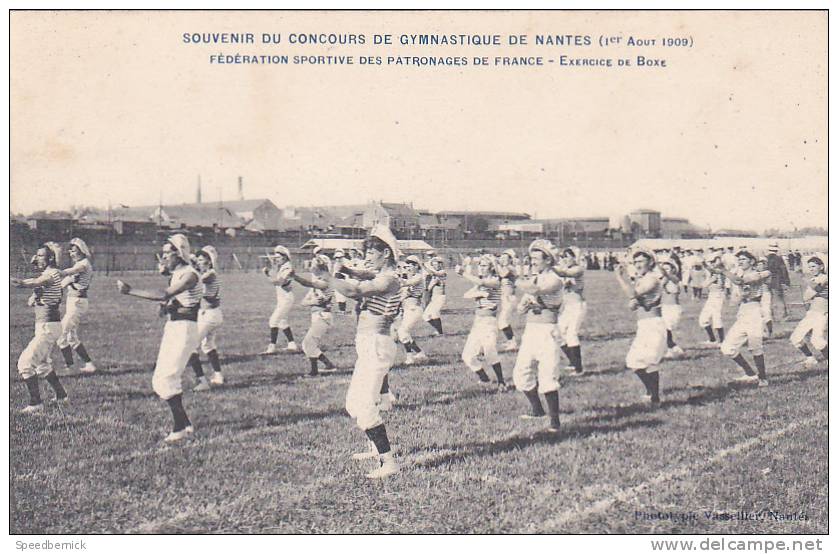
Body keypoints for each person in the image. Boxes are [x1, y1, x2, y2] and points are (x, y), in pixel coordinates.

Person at [325, 225, 403, 479]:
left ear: (386, 254)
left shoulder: (389, 278)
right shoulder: (381, 273)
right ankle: (375, 449)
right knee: (353, 404)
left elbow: (354, 290)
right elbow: (362, 272)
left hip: (377, 345)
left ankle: (388, 462)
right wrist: (346, 269)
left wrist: (329, 276)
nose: (368, 256)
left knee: (364, 405)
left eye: (372, 252)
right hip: (369, 345)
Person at [116, 234, 203, 442]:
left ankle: (179, 428)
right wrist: (166, 308)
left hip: (184, 329)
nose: (163, 258)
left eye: (167, 253)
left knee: (166, 379)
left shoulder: (190, 274)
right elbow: (172, 303)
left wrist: (130, 291)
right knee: (162, 379)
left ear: (179, 253)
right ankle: (185, 423)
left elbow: (165, 294)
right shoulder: (178, 274)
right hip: (174, 327)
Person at [11, 242, 69, 412]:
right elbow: (38, 290)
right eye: (36, 255)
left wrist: (22, 283)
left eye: (41, 255)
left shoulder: (50, 274)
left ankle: (36, 402)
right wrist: (35, 296)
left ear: (50, 258)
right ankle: (62, 395)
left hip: (48, 326)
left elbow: (38, 282)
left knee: (24, 363)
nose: (36, 258)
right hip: (47, 325)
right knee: (42, 365)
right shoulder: (50, 273)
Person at [513, 240, 563, 432]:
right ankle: (537, 410)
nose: (532, 262)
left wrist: (514, 278)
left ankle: (555, 423)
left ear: (548, 260)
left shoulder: (554, 279)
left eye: (536, 258)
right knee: (521, 373)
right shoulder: (534, 279)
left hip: (547, 332)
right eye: (531, 258)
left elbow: (534, 291)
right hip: (531, 332)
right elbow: (519, 309)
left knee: (547, 375)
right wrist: (524, 306)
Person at [615, 249, 667, 406]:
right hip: (644, 324)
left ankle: (654, 397)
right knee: (638, 361)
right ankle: (653, 395)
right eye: (635, 262)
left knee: (642, 361)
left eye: (641, 261)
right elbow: (634, 304)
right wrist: (636, 302)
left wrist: (619, 277)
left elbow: (633, 294)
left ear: (651, 262)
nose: (637, 265)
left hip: (653, 324)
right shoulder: (643, 278)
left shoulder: (652, 278)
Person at [716, 250, 772, 386]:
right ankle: (750, 374)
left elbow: (739, 281)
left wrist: (723, 271)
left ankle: (763, 379)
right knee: (727, 347)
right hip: (743, 311)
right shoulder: (739, 273)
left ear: (752, 261)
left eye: (743, 259)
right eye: (739, 259)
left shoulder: (760, 273)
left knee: (755, 346)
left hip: (755, 311)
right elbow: (735, 296)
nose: (740, 261)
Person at [458, 254, 508, 389]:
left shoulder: (495, 280)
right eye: (479, 265)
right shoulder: (482, 284)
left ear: (491, 267)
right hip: (478, 322)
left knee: (489, 352)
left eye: (484, 265)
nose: (480, 267)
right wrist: (479, 294)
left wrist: (463, 273)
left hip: (489, 322)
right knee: (467, 356)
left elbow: (480, 283)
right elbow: (466, 295)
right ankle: (484, 378)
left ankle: (502, 382)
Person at [290, 254, 337, 376]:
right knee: (310, 345)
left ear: (320, 267)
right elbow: (303, 302)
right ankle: (328, 365)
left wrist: (295, 276)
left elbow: (308, 284)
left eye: (313, 264)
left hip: (323, 316)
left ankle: (315, 371)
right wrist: (313, 302)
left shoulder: (326, 281)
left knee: (308, 343)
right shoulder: (317, 282)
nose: (310, 266)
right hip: (317, 316)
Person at [56, 237, 97, 373]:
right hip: (74, 302)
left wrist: (58, 272)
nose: (71, 253)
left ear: (81, 251)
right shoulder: (78, 265)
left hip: (77, 303)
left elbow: (69, 273)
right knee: (71, 338)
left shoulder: (83, 264)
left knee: (60, 334)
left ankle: (69, 366)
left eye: (74, 251)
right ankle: (89, 365)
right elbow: (62, 284)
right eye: (70, 251)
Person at [189, 246, 224, 391]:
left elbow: (195, 281)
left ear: (209, 262)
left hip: (208, 315)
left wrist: (189, 263)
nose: (198, 263)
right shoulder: (208, 273)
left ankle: (202, 381)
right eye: (198, 260)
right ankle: (218, 376)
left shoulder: (210, 274)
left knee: (189, 347)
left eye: (201, 260)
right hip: (212, 314)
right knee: (208, 346)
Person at [790, 253, 828, 368]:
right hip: (812, 313)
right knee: (795, 338)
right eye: (809, 267)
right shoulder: (814, 279)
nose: (811, 269)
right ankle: (810, 358)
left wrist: (801, 275)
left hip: (821, 313)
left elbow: (816, 289)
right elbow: (806, 297)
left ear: (821, 267)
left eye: (813, 266)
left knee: (817, 340)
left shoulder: (825, 278)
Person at [552, 246, 586, 375]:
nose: (564, 259)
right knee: (558, 334)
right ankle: (573, 361)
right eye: (563, 257)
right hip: (568, 307)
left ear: (574, 257)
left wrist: (551, 265)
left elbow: (564, 273)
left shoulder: (578, 269)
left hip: (577, 305)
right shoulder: (566, 269)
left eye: (567, 256)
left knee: (571, 334)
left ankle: (579, 369)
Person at [261, 245, 298, 354]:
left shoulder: (288, 268)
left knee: (273, 321)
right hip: (282, 298)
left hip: (286, 298)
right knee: (282, 322)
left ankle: (271, 347)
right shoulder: (282, 267)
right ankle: (292, 344)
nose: (276, 259)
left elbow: (279, 282)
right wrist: (272, 269)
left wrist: (267, 274)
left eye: (279, 257)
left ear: (285, 257)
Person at [396, 255, 428, 365]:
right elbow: (403, 293)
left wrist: (396, 276)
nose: (409, 267)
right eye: (408, 265)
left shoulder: (418, 277)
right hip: (408, 309)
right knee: (404, 333)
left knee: (402, 332)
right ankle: (419, 353)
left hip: (414, 309)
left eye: (411, 265)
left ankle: (410, 357)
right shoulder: (411, 277)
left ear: (417, 266)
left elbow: (406, 284)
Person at [657, 255, 685, 359]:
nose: (665, 271)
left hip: (673, 308)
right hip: (664, 307)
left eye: (667, 268)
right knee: (663, 330)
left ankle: (674, 349)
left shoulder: (675, 278)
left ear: (673, 269)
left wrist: (659, 266)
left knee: (666, 330)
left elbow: (667, 276)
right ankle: (673, 349)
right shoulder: (663, 280)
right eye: (664, 269)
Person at [699, 252, 727, 347]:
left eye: (713, 261)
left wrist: (704, 264)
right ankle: (713, 340)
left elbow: (704, 284)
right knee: (703, 319)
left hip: (717, 296)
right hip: (712, 296)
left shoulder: (718, 271)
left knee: (716, 318)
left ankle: (722, 341)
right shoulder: (715, 271)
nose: (712, 263)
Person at [496, 249, 519, 352]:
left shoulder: (510, 268)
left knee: (502, 322)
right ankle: (511, 341)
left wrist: (495, 263)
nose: (503, 259)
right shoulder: (506, 267)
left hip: (509, 298)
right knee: (503, 321)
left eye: (505, 258)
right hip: (506, 298)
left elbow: (501, 274)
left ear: (510, 259)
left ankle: (513, 343)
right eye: (502, 257)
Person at [422, 256, 447, 336]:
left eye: (436, 264)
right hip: (434, 298)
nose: (435, 266)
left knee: (434, 314)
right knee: (425, 316)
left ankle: (440, 332)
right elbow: (428, 288)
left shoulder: (442, 272)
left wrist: (426, 267)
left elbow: (435, 274)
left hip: (440, 297)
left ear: (440, 265)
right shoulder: (434, 275)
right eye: (434, 265)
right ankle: (438, 331)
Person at [766, 243, 791, 321]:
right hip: (777, 281)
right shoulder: (778, 258)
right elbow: (783, 270)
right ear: (776, 250)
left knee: (768, 299)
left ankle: (771, 316)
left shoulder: (766, 259)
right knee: (779, 298)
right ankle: (783, 316)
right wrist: (787, 281)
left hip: (766, 281)